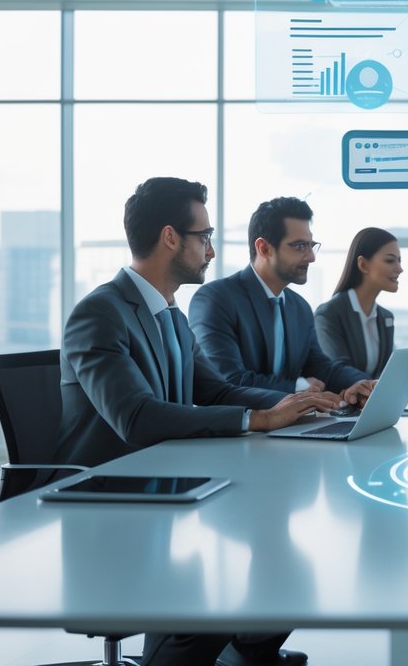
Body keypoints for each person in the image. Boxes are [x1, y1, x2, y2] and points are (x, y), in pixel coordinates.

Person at [55, 177, 337, 666]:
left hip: (170, 489)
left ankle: (242, 651)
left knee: (278, 556)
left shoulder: (170, 314)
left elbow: (217, 391)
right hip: (112, 505)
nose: (211, 249)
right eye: (203, 236)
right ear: (170, 238)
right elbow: (137, 417)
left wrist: (295, 405)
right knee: (219, 600)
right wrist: (259, 418)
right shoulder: (100, 314)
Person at [189, 197, 373, 405]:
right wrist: (298, 387)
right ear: (264, 248)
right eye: (300, 246)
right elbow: (228, 380)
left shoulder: (300, 307)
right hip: (243, 423)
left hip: (296, 423)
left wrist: (364, 384)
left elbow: (321, 368)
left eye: (311, 245)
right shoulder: (216, 300)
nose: (311, 257)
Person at [314, 228, 400, 377]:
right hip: (343, 393)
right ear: (363, 265)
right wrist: (373, 385)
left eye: (399, 261)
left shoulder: (386, 317)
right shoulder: (329, 314)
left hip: (376, 392)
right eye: (390, 260)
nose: (399, 268)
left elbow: (385, 370)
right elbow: (337, 370)